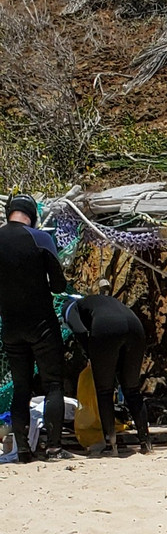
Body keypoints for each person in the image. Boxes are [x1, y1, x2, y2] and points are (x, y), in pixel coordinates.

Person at [0, 194, 72, 462]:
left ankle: (24, 452)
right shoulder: (40, 238)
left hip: (11, 325)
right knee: (53, 384)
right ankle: (53, 449)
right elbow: (58, 286)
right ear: (32, 215)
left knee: (21, 387)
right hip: (41, 324)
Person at [62, 294, 152, 455]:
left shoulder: (69, 308)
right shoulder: (98, 302)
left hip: (106, 327)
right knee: (132, 390)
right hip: (135, 327)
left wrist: (92, 354)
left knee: (104, 390)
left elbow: (80, 330)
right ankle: (146, 442)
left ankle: (112, 445)